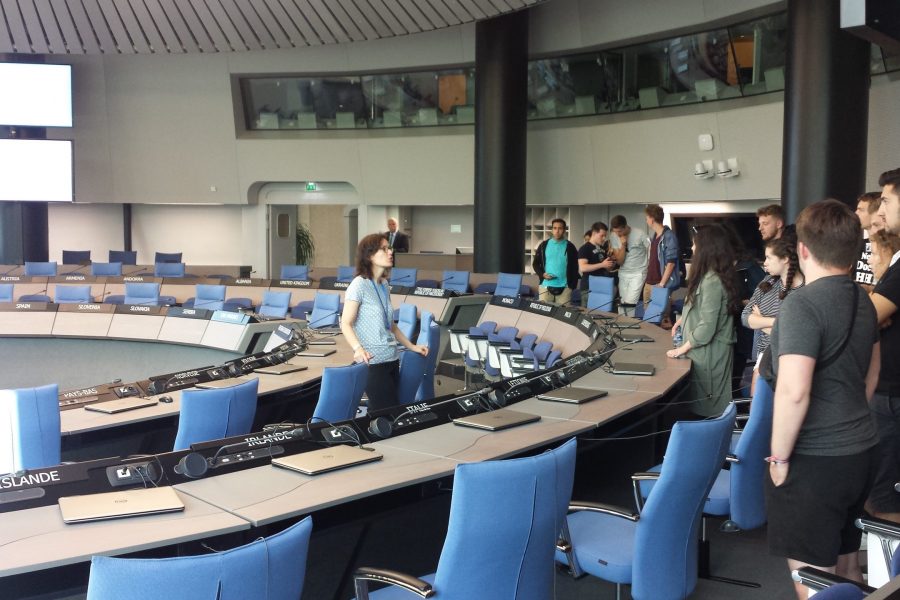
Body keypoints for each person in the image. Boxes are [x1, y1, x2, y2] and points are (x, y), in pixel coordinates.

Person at [765, 200, 879, 600]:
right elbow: (872, 374)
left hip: (816, 461)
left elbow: (794, 390)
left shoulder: (802, 303)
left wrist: (779, 458)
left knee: (813, 582)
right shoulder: (864, 299)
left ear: (802, 249)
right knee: (848, 567)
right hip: (861, 452)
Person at [341, 233, 428, 411]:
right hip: (373, 363)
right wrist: (358, 348)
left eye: (390, 248)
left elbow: (391, 325)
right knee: (386, 414)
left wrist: (412, 346)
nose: (390, 252)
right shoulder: (359, 285)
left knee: (385, 412)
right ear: (370, 255)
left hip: (392, 359)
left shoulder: (384, 284)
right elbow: (345, 323)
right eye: (384, 249)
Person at [666, 224, 740, 416]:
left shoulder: (711, 280)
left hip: (709, 354)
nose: (692, 248)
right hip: (703, 352)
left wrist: (681, 349)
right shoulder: (709, 275)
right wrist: (682, 320)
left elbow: (707, 327)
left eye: (694, 244)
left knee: (708, 407)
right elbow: (700, 309)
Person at [868, 168, 900, 524]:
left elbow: (865, 318)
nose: (880, 212)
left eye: (887, 202)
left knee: (886, 502)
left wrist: (871, 311)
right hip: (887, 395)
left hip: (893, 398)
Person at [741, 236, 804, 393]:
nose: (765, 263)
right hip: (765, 356)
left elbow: (794, 336)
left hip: (793, 358)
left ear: (785, 259)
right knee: (756, 400)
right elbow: (745, 317)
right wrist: (776, 322)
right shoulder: (768, 281)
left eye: (769, 257)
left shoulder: (805, 289)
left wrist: (760, 320)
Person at [643, 204, 681, 318]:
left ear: (652, 219)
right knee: (648, 318)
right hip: (649, 282)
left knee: (661, 318)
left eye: (646, 218)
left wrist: (662, 284)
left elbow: (671, 262)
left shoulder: (669, 236)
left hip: (659, 284)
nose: (646, 221)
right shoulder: (654, 236)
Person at [532, 218, 579, 305]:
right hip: (545, 286)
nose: (557, 231)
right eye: (555, 228)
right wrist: (542, 274)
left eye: (560, 228)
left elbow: (575, 267)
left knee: (562, 313)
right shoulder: (543, 245)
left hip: (565, 288)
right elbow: (535, 264)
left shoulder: (570, 247)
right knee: (544, 312)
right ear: (552, 230)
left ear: (564, 230)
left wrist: (572, 286)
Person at [609, 214, 650, 315]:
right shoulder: (614, 236)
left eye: (619, 231)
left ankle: (627, 322)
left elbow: (651, 250)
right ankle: (621, 322)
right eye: (615, 231)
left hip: (638, 273)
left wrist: (649, 266)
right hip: (623, 273)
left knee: (630, 303)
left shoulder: (640, 234)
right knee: (622, 303)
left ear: (625, 226)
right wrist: (623, 245)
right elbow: (620, 261)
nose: (617, 234)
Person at [577, 222, 616, 307]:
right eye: (602, 236)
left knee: (601, 312)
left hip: (602, 286)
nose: (604, 238)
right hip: (589, 287)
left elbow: (607, 268)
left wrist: (611, 262)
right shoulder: (585, 248)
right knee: (588, 312)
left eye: (605, 236)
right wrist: (602, 265)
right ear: (594, 233)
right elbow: (583, 267)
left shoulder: (602, 249)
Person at [854, 191, 880, 289]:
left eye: (861, 210)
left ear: (876, 212)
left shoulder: (889, 246)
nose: (856, 213)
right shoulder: (857, 243)